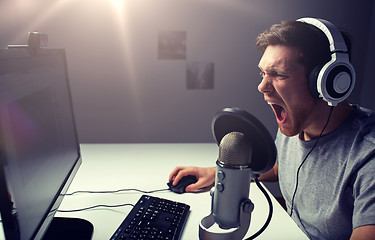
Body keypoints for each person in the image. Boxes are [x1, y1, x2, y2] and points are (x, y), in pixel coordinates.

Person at [169, 18, 375, 240]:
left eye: (278, 74)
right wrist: (220, 174)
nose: (262, 87)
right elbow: (280, 166)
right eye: (263, 73)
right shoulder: (296, 123)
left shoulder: (367, 157)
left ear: (327, 82)